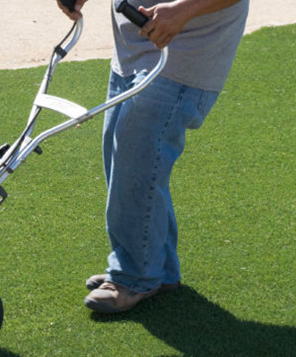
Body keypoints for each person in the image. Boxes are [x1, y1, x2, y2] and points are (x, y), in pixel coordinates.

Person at [57, 0, 249, 313]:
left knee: (137, 166)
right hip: (134, 49)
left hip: (182, 55)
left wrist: (183, 10)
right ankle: (159, 270)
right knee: (124, 162)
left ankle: (136, 276)